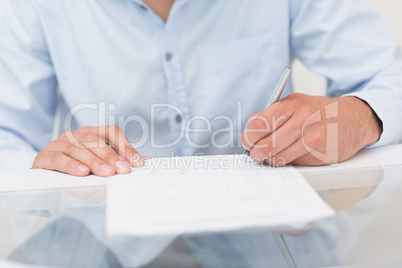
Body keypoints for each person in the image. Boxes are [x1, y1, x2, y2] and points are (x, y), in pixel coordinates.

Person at [1, 0, 401, 177]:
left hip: (275, 242)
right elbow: (7, 138)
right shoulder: (35, 5)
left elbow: (390, 72)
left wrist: (365, 115)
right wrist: (43, 162)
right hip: (105, 245)